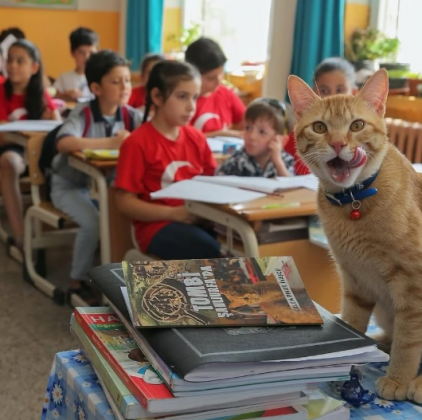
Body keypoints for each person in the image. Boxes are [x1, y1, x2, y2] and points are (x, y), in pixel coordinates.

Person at [50, 50, 142, 304]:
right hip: (68, 186)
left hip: (103, 188)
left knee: (117, 217)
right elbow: (64, 143)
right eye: (116, 81)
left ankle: (115, 277)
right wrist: (111, 142)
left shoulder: (131, 115)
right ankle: (78, 281)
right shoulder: (84, 112)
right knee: (93, 222)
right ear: (96, 88)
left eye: (127, 80)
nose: (125, 87)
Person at [114, 60, 221, 260]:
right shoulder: (137, 142)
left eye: (195, 97)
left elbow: (212, 183)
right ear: (157, 96)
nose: (191, 107)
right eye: (182, 97)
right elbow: (124, 203)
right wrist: (174, 214)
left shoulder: (197, 138)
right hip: (158, 227)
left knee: (245, 245)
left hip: (198, 219)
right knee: (211, 251)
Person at [0, 40, 60, 252]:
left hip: (35, 151)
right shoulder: (1, 89)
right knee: (8, 162)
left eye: (20, 61)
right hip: (11, 151)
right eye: (9, 60)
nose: (13, 65)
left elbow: (57, 124)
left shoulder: (39, 92)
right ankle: (19, 234)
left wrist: (52, 116)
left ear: (34, 67)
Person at [285, 57, 357, 175]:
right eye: (324, 91)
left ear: (354, 93)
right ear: (314, 91)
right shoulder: (303, 130)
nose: (332, 96)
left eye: (340, 90)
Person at [217, 98, 294, 177]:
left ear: (282, 140)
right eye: (248, 128)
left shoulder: (286, 160)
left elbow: (291, 187)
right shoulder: (236, 161)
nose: (252, 136)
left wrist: (278, 163)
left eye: (262, 132)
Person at [185, 37, 245, 138]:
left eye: (221, 73)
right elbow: (184, 137)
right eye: (211, 78)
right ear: (193, 75)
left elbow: (246, 123)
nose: (219, 81)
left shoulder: (226, 94)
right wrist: (222, 134)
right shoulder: (184, 102)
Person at [54, 27, 99, 101]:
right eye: (81, 52)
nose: (86, 57)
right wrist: (66, 94)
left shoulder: (101, 77)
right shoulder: (64, 78)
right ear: (72, 53)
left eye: (91, 52)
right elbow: (52, 97)